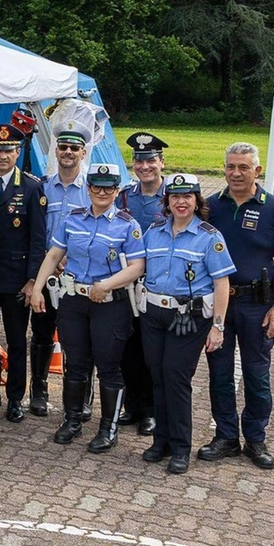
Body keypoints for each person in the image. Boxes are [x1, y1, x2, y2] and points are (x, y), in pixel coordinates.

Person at [31, 163, 145, 450]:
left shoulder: (127, 225)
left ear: (117, 191)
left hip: (110, 303)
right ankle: (71, 420)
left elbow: (137, 267)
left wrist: (107, 284)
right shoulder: (73, 219)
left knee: (108, 365)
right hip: (74, 300)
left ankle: (108, 428)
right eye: (96, 186)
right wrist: (37, 288)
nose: (102, 192)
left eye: (108, 187)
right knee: (76, 363)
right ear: (89, 188)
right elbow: (54, 253)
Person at [199, 142, 274, 471]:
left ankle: (256, 438)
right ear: (223, 168)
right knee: (220, 374)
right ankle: (226, 437)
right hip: (221, 306)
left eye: (244, 167)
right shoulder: (211, 206)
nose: (236, 173)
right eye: (230, 166)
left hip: (258, 307)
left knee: (257, 376)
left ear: (257, 171)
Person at [138, 174, 234, 474]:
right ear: (166, 201)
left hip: (189, 319)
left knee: (176, 379)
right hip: (153, 314)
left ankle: (181, 447)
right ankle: (161, 441)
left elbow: (221, 283)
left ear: (197, 201)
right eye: (175, 197)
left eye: (188, 196)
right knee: (157, 376)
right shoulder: (153, 231)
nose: (181, 202)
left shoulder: (209, 237)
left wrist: (218, 326)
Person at [0, 125, 46, 423]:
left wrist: (32, 281)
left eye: (9, 150)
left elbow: (38, 238)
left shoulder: (31, 187)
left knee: (17, 340)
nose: (3, 155)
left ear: (18, 152)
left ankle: (15, 397)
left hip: (16, 277)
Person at [28, 124, 92, 417]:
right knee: (41, 335)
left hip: (77, 278)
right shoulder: (41, 187)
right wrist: (47, 261)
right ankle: (38, 393)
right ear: (56, 151)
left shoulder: (92, 190)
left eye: (74, 148)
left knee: (78, 339)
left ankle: (81, 398)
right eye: (63, 147)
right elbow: (34, 230)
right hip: (46, 273)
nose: (68, 153)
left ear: (83, 152)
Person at [115, 131, 167, 435]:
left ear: (161, 162)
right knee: (127, 347)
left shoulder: (174, 197)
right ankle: (131, 406)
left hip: (158, 284)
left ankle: (151, 410)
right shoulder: (124, 196)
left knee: (152, 352)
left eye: (150, 160)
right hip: (127, 284)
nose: (144, 166)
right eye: (139, 160)